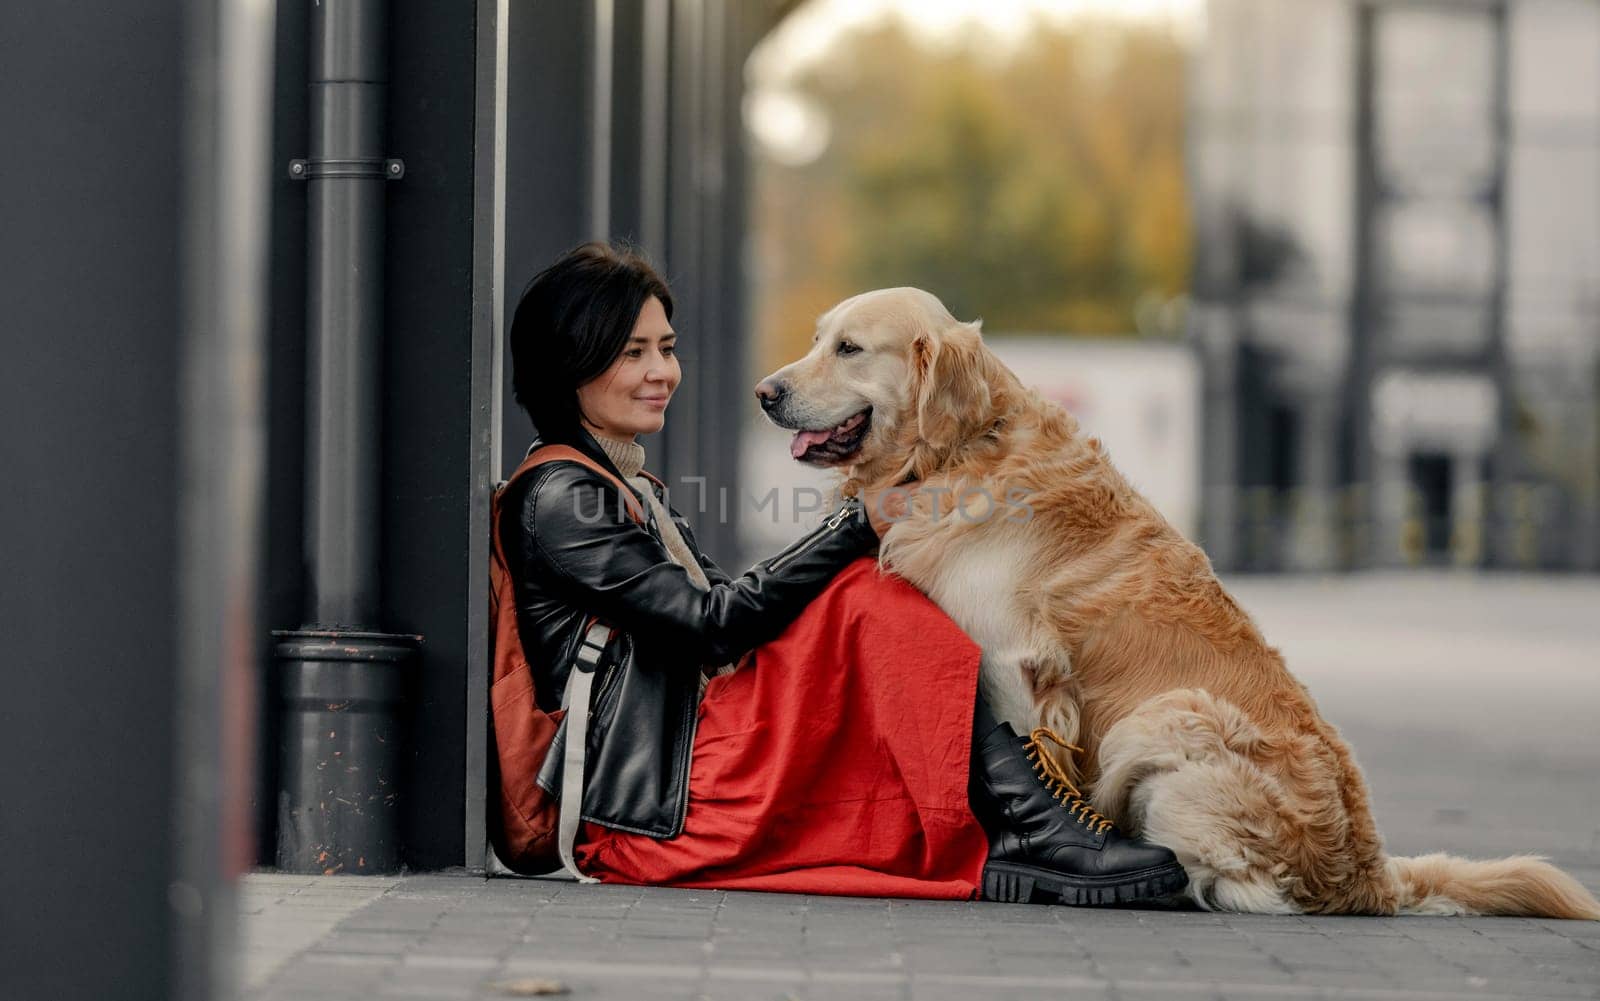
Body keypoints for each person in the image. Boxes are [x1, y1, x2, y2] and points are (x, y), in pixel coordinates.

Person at [494, 240, 1187, 904]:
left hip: (686, 767)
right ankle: (1030, 827)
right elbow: (712, 627)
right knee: (863, 593)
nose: (661, 371)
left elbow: (725, 610)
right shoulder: (562, 498)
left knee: (857, 604)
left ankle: (1017, 824)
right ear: (571, 364)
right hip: (648, 812)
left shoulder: (622, 484)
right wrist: (857, 524)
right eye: (631, 352)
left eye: (666, 349)